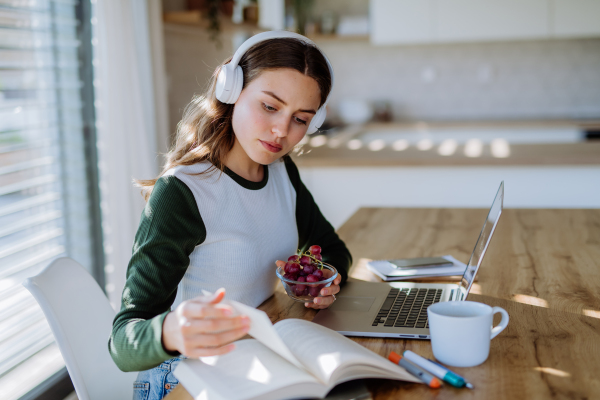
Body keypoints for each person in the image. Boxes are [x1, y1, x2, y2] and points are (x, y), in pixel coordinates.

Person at [108, 31, 352, 400]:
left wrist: (324, 284)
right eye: (270, 107)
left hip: (256, 358)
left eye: (300, 119)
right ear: (231, 90)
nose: (281, 131)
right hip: (187, 379)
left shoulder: (282, 174)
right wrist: (172, 330)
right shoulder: (182, 193)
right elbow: (123, 342)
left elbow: (334, 250)